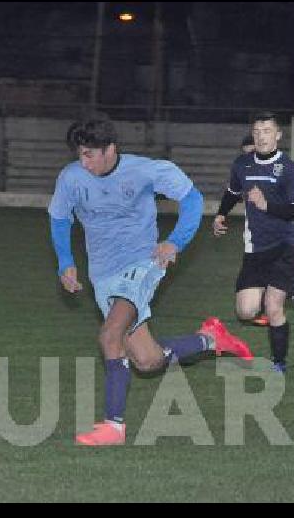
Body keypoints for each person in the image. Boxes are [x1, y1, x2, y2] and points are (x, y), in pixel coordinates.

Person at [48, 116, 253, 446]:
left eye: (89, 154)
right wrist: (66, 262)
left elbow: (192, 199)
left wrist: (176, 241)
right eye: (79, 155)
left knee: (110, 333)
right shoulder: (71, 178)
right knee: (147, 360)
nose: (83, 163)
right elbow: (59, 218)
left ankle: (113, 426)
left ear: (110, 150)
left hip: (142, 263)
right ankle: (210, 340)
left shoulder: (145, 170)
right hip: (102, 274)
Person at [213, 112, 294, 373]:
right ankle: (286, 286)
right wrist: (221, 214)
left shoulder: (288, 168)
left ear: (277, 135)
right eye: (256, 131)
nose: (261, 135)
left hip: (285, 246)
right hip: (255, 248)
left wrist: (266, 205)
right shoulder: (242, 164)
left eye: (266, 130)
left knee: (273, 307)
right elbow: (232, 193)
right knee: (245, 311)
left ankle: (279, 362)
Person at [238, 135, 294, 326]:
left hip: (291, 229)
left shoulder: (282, 170)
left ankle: (292, 289)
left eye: (252, 152)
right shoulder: (246, 171)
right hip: (261, 237)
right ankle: (292, 290)